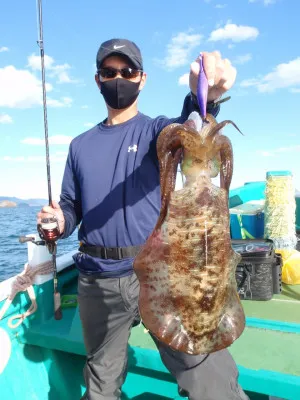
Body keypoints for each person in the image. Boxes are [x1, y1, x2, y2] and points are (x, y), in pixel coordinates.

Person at [37, 38, 248, 400]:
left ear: (142, 78)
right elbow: (72, 207)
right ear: (98, 79)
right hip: (98, 278)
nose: (118, 77)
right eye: (109, 71)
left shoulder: (154, 132)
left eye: (127, 71)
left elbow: (186, 128)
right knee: (101, 382)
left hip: (161, 273)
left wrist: (205, 96)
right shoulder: (79, 145)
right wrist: (58, 221)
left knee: (207, 375)